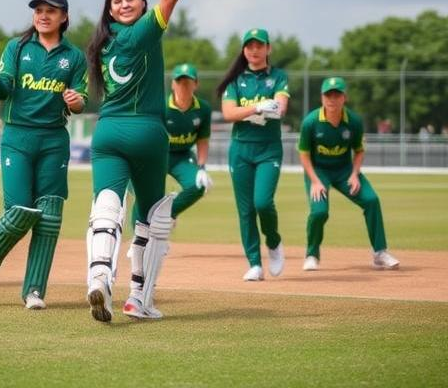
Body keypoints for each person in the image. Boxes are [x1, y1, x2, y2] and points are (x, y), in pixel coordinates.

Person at [85, 0, 211, 322]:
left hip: (107, 132)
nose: (124, 4)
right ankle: (138, 299)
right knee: (153, 217)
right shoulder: (142, 31)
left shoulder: (102, 44)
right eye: (118, 1)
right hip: (147, 133)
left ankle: (100, 276)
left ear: (136, 4)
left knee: (106, 205)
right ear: (111, 10)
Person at [0, 0, 87, 309]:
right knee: (19, 211)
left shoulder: (74, 57)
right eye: (38, 10)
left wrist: (77, 101)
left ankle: (34, 291)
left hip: (53, 141)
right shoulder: (17, 48)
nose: (43, 15)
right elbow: (2, 91)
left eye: (51, 10)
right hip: (18, 139)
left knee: (49, 217)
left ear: (64, 16)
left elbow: (81, 98)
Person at [298, 77, 400, 271]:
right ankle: (312, 254)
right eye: (328, 95)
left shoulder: (353, 121)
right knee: (319, 212)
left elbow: (359, 150)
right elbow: (304, 155)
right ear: (322, 98)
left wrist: (354, 175)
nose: (332, 99)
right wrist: (315, 181)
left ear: (344, 98)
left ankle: (379, 253)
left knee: (371, 200)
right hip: (318, 171)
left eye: (337, 95)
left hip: (344, 170)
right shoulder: (310, 122)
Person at [217, 28, 289, 282]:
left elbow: (280, 107)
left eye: (259, 46)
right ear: (244, 50)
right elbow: (228, 113)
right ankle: (255, 263)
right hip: (241, 150)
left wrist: (266, 109)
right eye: (249, 46)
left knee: (263, 202)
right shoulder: (236, 80)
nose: (254, 50)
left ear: (268, 48)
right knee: (246, 210)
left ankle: (274, 241)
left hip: (268, 149)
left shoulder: (278, 76)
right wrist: (257, 108)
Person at [129, 63, 213, 228]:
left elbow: (203, 139)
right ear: (173, 84)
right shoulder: (161, 107)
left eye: (188, 82)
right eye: (180, 82)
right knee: (141, 192)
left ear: (196, 84)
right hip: (156, 156)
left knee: (199, 186)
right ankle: (138, 239)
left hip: (182, 156)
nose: (184, 86)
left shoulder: (203, 109)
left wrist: (202, 167)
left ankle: (167, 213)